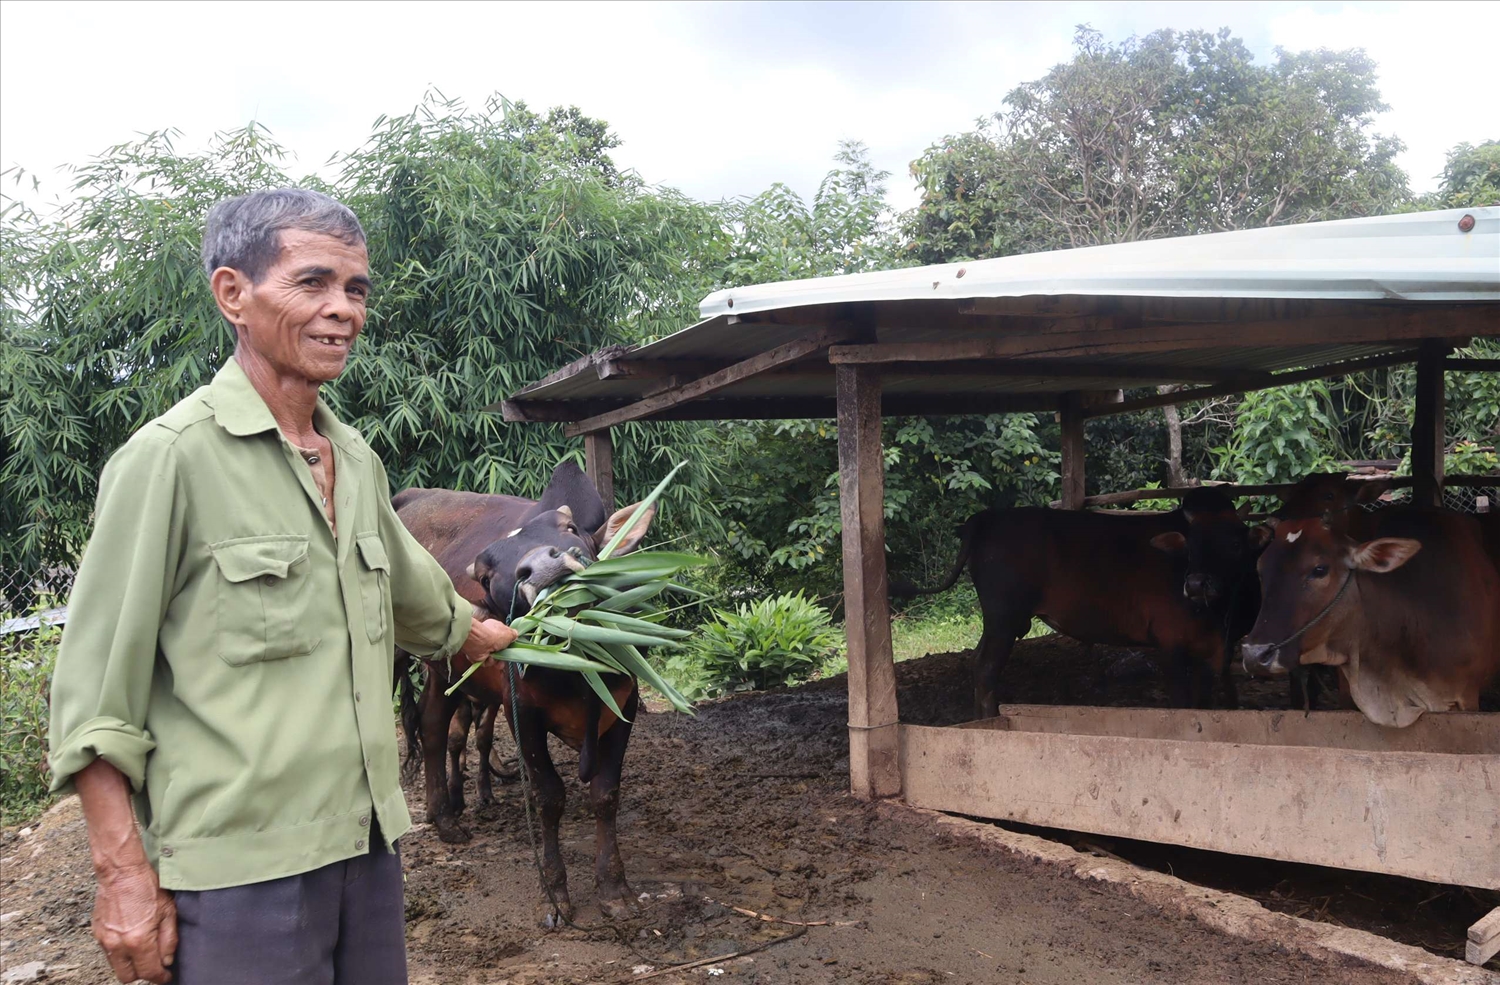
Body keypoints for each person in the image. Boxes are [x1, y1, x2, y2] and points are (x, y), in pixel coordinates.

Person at [47, 188, 517, 985]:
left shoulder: (356, 459)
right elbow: (94, 697)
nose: (343, 310)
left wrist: (520, 632)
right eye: (313, 282)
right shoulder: (170, 460)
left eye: (356, 289)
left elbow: (419, 600)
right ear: (234, 293)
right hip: (237, 872)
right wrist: (122, 875)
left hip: (365, 846)